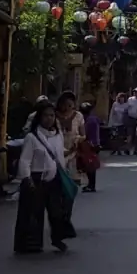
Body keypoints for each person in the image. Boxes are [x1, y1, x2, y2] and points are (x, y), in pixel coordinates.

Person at [16, 99, 74, 254]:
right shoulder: (32, 138)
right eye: (46, 116)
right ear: (39, 118)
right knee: (34, 214)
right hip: (36, 179)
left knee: (57, 211)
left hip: (54, 178)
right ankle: (31, 244)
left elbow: (60, 154)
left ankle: (58, 238)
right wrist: (27, 179)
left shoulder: (57, 135)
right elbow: (25, 160)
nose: (49, 119)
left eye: (52, 115)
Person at [55, 93, 87, 226]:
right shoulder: (53, 116)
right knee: (58, 189)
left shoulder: (78, 116)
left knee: (71, 188)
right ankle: (59, 216)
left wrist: (78, 140)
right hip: (56, 156)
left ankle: (66, 217)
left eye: (70, 105)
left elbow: (83, 135)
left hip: (73, 156)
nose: (68, 108)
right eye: (65, 104)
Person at [78, 100, 103, 191]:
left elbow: (85, 132)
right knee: (91, 165)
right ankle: (91, 184)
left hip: (89, 144)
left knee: (89, 165)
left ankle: (91, 185)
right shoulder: (94, 118)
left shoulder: (88, 120)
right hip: (95, 143)